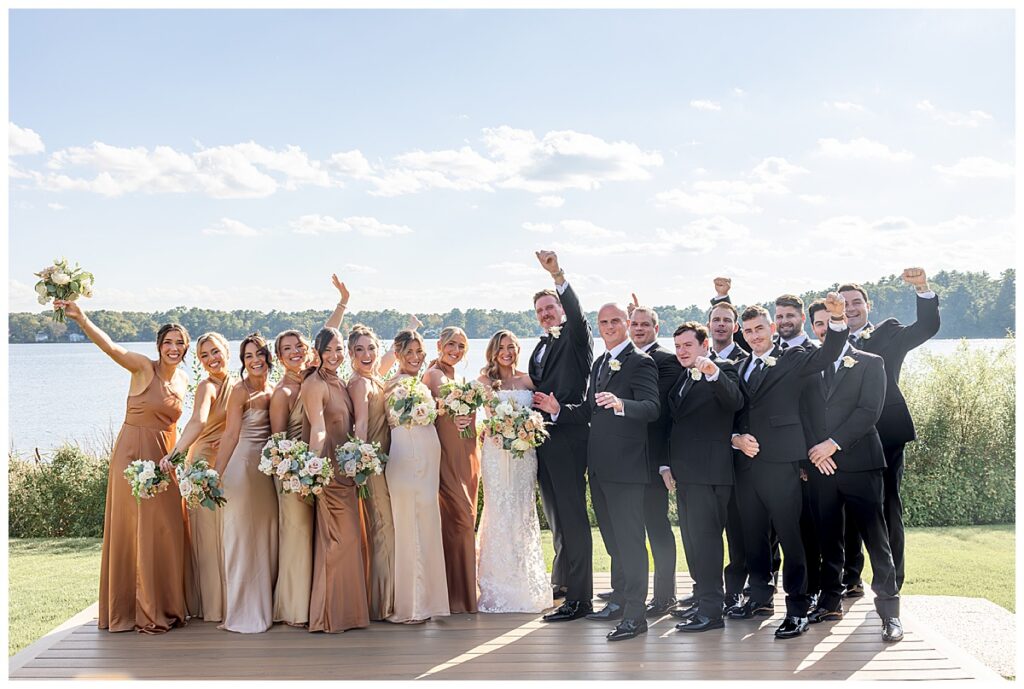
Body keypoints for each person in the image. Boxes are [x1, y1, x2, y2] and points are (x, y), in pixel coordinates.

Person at [58, 299, 189, 634]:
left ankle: (165, 605)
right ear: (159, 347)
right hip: (132, 455)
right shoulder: (144, 368)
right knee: (135, 530)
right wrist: (82, 318)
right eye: (168, 343)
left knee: (167, 530)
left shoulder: (184, 381)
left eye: (179, 343)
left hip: (165, 459)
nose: (173, 348)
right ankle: (133, 610)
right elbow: (112, 348)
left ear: (186, 348)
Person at [535, 303, 660, 642]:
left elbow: (652, 407)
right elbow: (590, 409)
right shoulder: (602, 362)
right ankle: (619, 602)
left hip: (627, 470)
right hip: (600, 470)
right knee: (614, 542)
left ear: (627, 323)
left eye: (615, 321)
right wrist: (558, 410)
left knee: (631, 544)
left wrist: (622, 405)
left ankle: (636, 617)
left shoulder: (640, 361)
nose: (608, 326)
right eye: (603, 321)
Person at [727, 295, 848, 639]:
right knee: (753, 537)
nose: (754, 335)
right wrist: (735, 437)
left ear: (771, 328)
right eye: (748, 331)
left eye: (759, 328)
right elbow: (733, 414)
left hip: (781, 463)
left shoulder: (793, 358)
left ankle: (797, 608)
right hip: (746, 467)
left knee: (791, 538)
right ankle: (760, 598)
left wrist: (837, 320)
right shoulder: (739, 367)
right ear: (743, 333)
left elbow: (828, 354)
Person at [801, 300, 903, 642]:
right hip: (821, 466)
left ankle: (889, 613)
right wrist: (815, 453)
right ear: (813, 328)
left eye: (829, 321)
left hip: (861, 464)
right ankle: (830, 601)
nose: (823, 328)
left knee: (876, 538)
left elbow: (868, 411)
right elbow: (801, 415)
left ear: (839, 322)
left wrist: (833, 443)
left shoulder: (872, 362)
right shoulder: (807, 366)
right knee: (827, 537)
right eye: (818, 323)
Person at [839, 268, 939, 596]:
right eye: (844, 304)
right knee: (847, 509)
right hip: (844, 439)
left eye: (856, 302)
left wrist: (922, 289)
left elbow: (926, 327)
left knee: (887, 506)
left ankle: (892, 581)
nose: (850, 308)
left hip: (886, 435)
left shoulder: (888, 333)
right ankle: (850, 579)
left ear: (868, 305)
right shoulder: (830, 340)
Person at [268, 274, 350, 627]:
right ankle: (294, 608)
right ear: (279, 357)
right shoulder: (282, 392)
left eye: (300, 347)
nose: (296, 352)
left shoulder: (313, 375)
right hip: (293, 473)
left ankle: (318, 600)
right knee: (297, 537)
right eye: (288, 350)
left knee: (315, 537)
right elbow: (277, 441)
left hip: (315, 468)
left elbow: (328, 336)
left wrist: (343, 302)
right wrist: (297, 472)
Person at [599, 300, 680, 617]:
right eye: (635, 324)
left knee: (656, 528)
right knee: (624, 530)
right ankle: (627, 589)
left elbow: (657, 412)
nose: (640, 328)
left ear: (656, 328)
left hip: (651, 459)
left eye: (646, 324)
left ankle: (664, 595)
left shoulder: (665, 361)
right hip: (623, 459)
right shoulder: (615, 359)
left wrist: (664, 461)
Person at [528, 250, 595, 619]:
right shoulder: (541, 345)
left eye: (550, 307)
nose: (545, 314)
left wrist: (558, 276)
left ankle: (580, 600)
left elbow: (578, 313)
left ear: (561, 309)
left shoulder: (576, 337)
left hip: (569, 437)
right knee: (556, 518)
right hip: (542, 442)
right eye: (539, 311)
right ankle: (565, 582)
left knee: (572, 517)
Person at [665, 323, 744, 633]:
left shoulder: (725, 369)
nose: (682, 351)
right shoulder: (683, 377)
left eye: (688, 345)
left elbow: (735, 401)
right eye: (678, 346)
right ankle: (702, 598)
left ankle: (711, 612)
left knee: (708, 543)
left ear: (704, 344)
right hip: (686, 473)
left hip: (711, 473)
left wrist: (713, 372)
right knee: (693, 542)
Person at [475, 330, 551, 613]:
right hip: (496, 454)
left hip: (524, 455)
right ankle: (494, 584)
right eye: (501, 348)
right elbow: (474, 416)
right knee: (497, 511)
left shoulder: (529, 381)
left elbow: (540, 416)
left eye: (511, 347)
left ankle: (523, 582)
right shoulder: (484, 382)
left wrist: (528, 429)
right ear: (493, 352)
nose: (507, 352)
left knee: (521, 512)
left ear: (518, 349)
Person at [161, 331, 233, 622]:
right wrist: (176, 454)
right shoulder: (206, 386)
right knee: (208, 535)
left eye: (215, 351)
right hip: (204, 464)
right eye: (203, 355)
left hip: (229, 461)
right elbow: (198, 421)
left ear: (226, 350)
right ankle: (212, 605)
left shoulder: (239, 383)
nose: (211, 359)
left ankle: (232, 600)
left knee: (228, 533)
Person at [303, 327, 369, 633]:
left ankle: (348, 614)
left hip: (347, 470)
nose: (334, 355)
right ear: (317, 352)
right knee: (339, 541)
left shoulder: (341, 382)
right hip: (327, 471)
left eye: (339, 349)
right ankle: (328, 616)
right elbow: (317, 426)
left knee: (349, 540)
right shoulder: (314, 383)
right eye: (328, 350)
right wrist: (314, 465)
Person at [384, 330, 450, 624]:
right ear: (397, 354)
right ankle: (411, 606)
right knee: (409, 528)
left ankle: (432, 602)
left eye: (419, 352)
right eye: (408, 352)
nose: (414, 358)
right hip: (406, 460)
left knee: (427, 527)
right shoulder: (392, 384)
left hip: (427, 461)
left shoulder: (421, 381)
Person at [213, 333, 278, 634]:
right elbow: (229, 436)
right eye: (248, 356)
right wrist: (216, 473)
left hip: (266, 473)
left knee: (265, 537)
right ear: (243, 362)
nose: (255, 360)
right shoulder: (239, 391)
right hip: (241, 469)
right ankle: (242, 611)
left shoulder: (275, 389)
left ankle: (266, 605)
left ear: (268, 357)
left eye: (259, 354)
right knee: (241, 538)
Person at [424, 326, 481, 615]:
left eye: (461, 346)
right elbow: (435, 408)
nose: (455, 350)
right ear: (439, 344)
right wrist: (449, 411)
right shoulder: (434, 374)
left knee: (464, 520)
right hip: (447, 453)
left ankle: (462, 592)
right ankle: (456, 596)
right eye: (451, 344)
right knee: (461, 517)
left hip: (468, 451)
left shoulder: (458, 376)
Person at [348, 324, 396, 621]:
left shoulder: (375, 376)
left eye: (371, 348)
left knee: (386, 529)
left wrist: (410, 328)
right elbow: (362, 426)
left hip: (387, 462)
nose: (367, 354)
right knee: (383, 530)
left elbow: (390, 356)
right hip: (373, 465)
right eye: (359, 350)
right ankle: (384, 603)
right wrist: (362, 466)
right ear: (351, 354)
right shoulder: (360, 384)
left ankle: (388, 596)